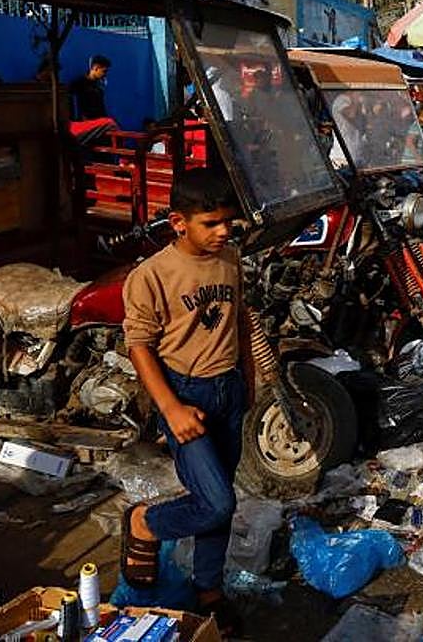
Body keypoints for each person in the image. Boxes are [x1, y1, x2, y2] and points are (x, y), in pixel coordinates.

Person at [119, 170, 250, 633]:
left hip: (228, 391)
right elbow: (139, 346)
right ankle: (144, 522)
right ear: (179, 222)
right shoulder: (150, 275)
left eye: (227, 222)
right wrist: (171, 409)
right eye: (211, 223)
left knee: (223, 497)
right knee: (216, 503)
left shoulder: (230, 258)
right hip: (185, 395)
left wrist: (248, 382)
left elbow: (241, 320)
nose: (223, 232)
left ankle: (209, 590)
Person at [69, 55, 112, 121]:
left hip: (99, 122)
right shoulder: (79, 83)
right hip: (85, 123)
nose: (105, 74)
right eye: (104, 71)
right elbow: (68, 99)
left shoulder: (99, 86)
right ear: (96, 68)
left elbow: (101, 108)